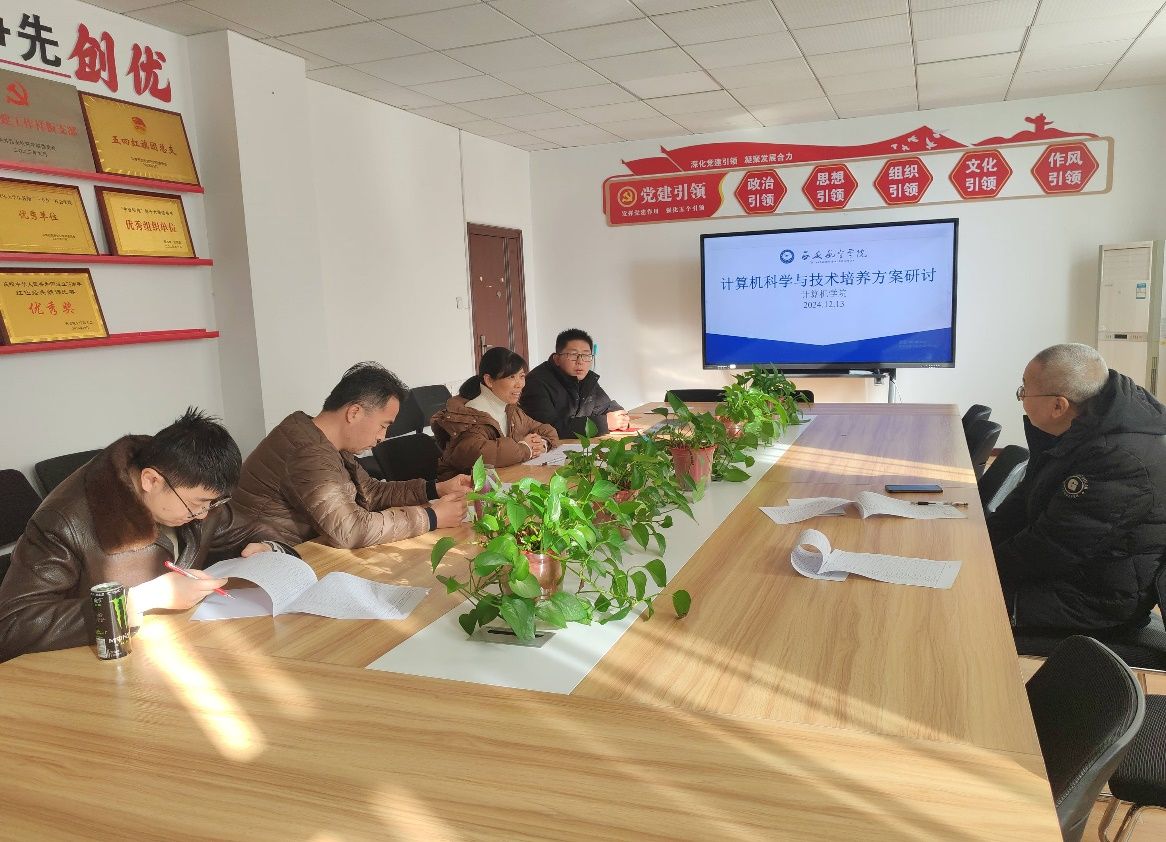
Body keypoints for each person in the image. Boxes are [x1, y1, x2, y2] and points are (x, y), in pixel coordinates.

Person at [0, 409, 295, 661]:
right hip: (87, 669)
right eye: (196, 505)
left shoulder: (191, 491)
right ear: (151, 480)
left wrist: (268, 548)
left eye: (211, 504)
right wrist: (139, 600)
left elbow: (253, 530)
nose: (204, 515)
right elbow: (12, 626)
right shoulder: (64, 522)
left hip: (173, 651)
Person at [988, 343, 1166, 634]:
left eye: (1024, 391)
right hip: (1066, 572)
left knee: (957, 604)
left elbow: (1051, 548)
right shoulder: (1083, 424)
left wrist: (979, 566)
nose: (1021, 398)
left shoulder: (1119, 460)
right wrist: (978, 542)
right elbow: (1026, 497)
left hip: (1094, 601)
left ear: (1058, 406)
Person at [228, 362, 469, 550]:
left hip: (299, 550)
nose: (382, 437)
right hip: (262, 560)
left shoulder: (321, 439)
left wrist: (436, 489)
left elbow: (371, 492)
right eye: (383, 425)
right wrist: (432, 517)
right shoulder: (307, 452)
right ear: (354, 412)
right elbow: (351, 530)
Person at [431, 347, 560, 480]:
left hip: (504, 480)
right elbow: (478, 454)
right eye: (511, 377)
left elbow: (546, 430)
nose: (519, 384)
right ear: (489, 380)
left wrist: (541, 444)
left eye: (522, 376)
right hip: (466, 486)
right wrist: (525, 449)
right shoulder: (470, 415)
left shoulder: (511, 409)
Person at [520, 328, 629, 438]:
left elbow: (607, 407)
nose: (580, 361)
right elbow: (548, 428)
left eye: (586, 355)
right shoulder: (536, 382)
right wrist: (603, 423)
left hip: (577, 444)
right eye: (573, 355)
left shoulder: (586, 378)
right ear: (557, 359)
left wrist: (620, 418)